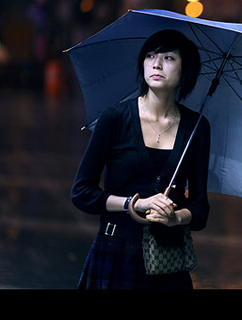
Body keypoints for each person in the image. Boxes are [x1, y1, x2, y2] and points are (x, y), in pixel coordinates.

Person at [71, 29, 210, 289]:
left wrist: (175, 217)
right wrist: (133, 204)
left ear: (185, 70)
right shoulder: (115, 117)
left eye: (168, 58)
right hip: (116, 254)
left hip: (166, 262)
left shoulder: (197, 128)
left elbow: (201, 210)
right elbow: (82, 193)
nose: (156, 63)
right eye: (150, 55)